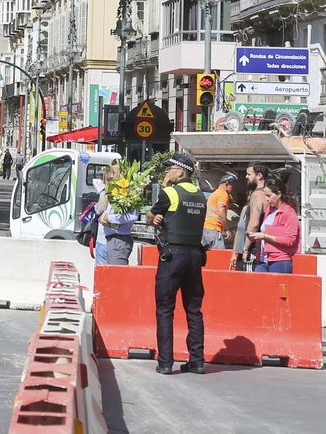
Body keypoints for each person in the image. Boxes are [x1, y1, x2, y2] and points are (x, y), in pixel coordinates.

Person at [147, 152, 207, 374]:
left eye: (170, 168)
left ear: (180, 172)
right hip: (194, 257)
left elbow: (150, 218)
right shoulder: (201, 196)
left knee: (165, 308)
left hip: (172, 256)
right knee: (194, 309)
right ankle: (197, 360)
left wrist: (155, 217)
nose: (167, 172)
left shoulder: (169, 193)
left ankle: (165, 362)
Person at [247, 175, 300, 272]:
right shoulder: (269, 210)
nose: (267, 199)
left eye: (269, 195)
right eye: (265, 196)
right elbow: (266, 234)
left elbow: (290, 241)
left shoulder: (289, 212)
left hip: (280, 260)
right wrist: (256, 237)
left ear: (279, 194)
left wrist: (264, 236)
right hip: (263, 259)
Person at [96, 163, 140, 266]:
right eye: (110, 174)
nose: (111, 176)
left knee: (115, 276)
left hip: (118, 239)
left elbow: (133, 215)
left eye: (114, 173)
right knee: (103, 276)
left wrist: (108, 218)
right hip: (105, 238)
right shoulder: (109, 192)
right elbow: (100, 210)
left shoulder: (130, 193)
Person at [233, 163, 270, 270]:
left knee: (245, 283)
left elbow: (254, 224)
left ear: (259, 176)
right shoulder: (267, 195)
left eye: (249, 174)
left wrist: (245, 248)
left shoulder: (257, 195)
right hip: (261, 248)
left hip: (253, 249)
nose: (246, 177)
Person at [202, 173, 236, 250]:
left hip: (206, 229)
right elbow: (221, 213)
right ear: (226, 185)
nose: (232, 188)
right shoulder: (223, 194)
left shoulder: (215, 193)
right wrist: (227, 229)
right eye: (232, 185)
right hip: (214, 229)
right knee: (218, 256)